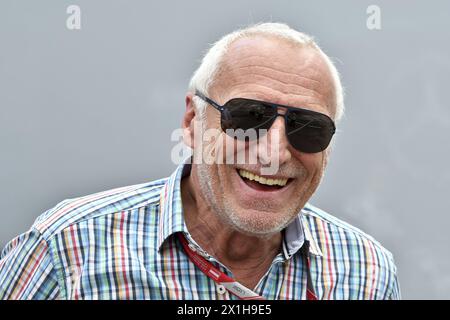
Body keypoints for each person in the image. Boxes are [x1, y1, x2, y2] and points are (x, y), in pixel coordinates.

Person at [0, 22, 400, 300]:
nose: (274, 152)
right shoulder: (69, 247)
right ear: (193, 121)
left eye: (308, 128)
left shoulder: (365, 272)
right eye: (248, 116)